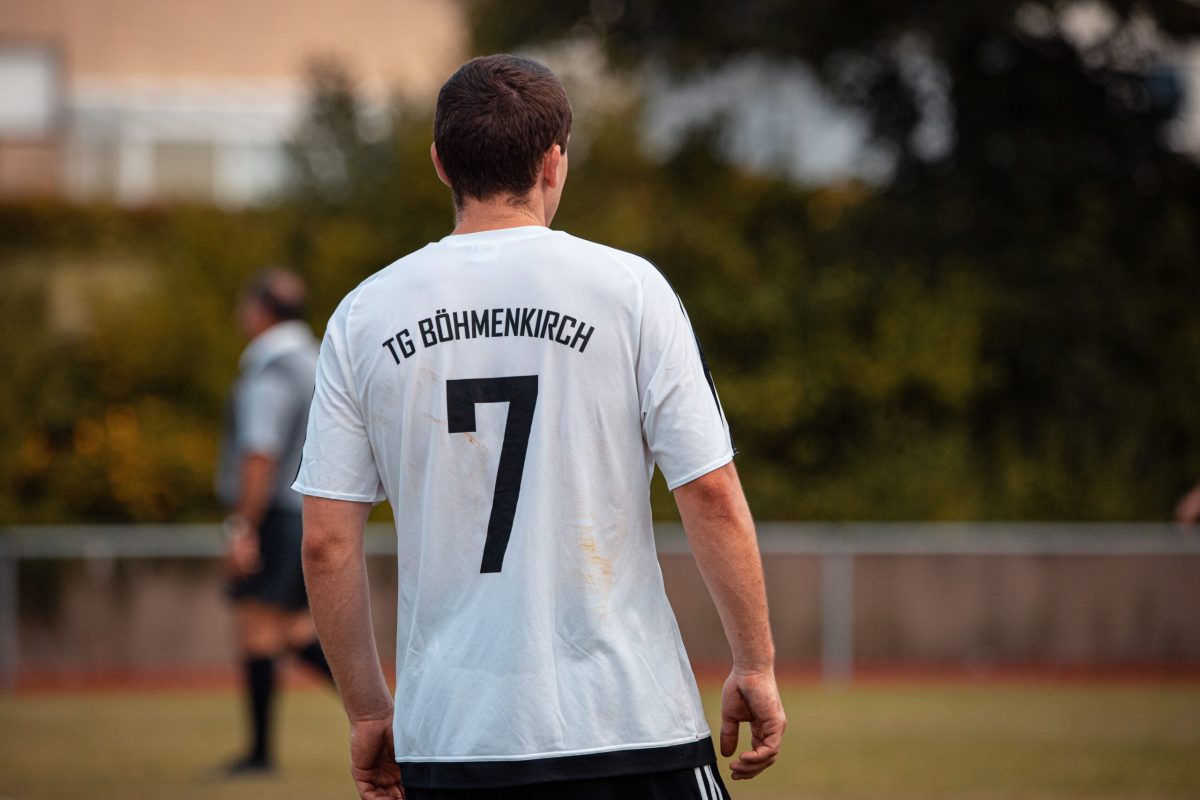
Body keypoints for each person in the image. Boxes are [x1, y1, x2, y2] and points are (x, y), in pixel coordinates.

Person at [296, 54, 786, 800]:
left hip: (453, 739)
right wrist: (754, 666)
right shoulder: (630, 290)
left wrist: (368, 710)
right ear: (554, 160)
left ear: (439, 163)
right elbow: (712, 494)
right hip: (629, 729)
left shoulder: (364, 314)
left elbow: (326, 540)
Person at [216, 268, 334, 774]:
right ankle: (387, 716)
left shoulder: (269, 369)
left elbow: (259, 453)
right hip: (304, 509)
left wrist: (242, 528)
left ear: (261, 310)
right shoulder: (315, 361)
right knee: (292, 632)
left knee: (258, 631)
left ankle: (260, 754)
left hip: (275, 516)